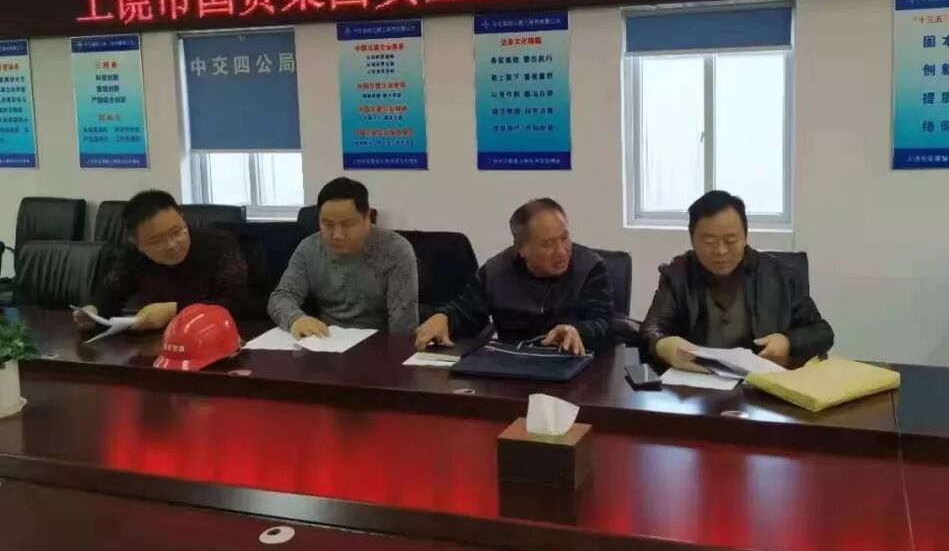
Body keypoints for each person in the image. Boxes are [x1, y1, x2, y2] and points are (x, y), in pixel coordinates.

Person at [643, 190, 833, 372]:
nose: (721, 251)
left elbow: (822, 332)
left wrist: (788, 341)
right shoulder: (678, 274)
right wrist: (662, 345)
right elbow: (652, 327)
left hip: (762, 383)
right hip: (698, 381)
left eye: (731, 240)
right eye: (709, 242)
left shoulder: (779, 275)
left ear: (745, 237)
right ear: (692, 239)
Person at [414, 198, 613, 355]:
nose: (561, 251)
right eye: (548, 244)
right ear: (522, 249)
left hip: (574, 363)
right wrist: (444, 317)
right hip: (514, 365)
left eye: (565, 237)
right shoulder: (495, 272)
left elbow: (603, 323)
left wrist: (578, 331)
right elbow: (467, 310)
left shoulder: (590, 267)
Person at [72, 190, 247, 331]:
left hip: (212, 336)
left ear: (182, 217)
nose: (171, 245)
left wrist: (176, 309)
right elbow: (111, 292)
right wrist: (93, 310)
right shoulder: (133, 254)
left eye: (176, 232)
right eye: (156, 241)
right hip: (157, 343)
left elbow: (237, 302)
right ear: (137, 243)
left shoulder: (219, 244)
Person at [268, 178, 418, 337]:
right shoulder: (309, 248)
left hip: (377, 343)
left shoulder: (395, 250)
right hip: (325, 340)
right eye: (328, 224)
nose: (337, 235)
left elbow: (403, 326)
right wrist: (296, 319)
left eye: (347, 224)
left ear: (367, 217)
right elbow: (281, 297)